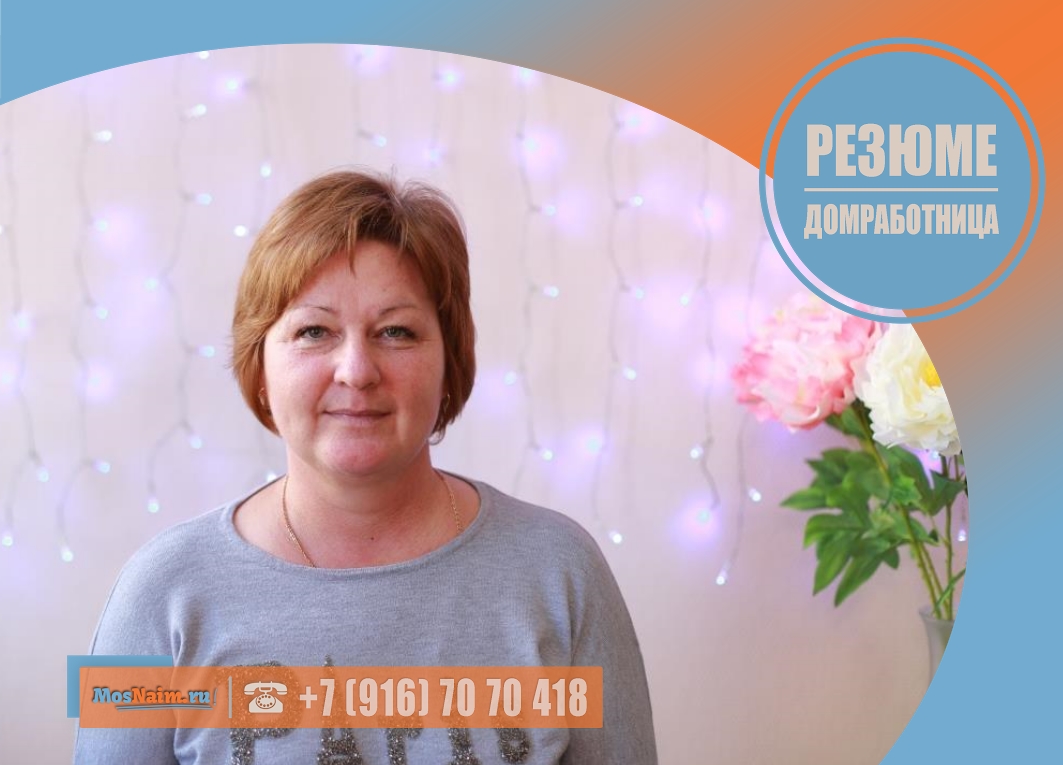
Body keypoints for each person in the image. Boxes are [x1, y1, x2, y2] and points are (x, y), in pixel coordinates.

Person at [74, 170, 658, 764]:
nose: (356, 370)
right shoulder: (158, 590)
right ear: (260, 366)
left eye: (396, 331)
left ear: (449, 362)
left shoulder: (562, 573)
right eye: (314, 331)